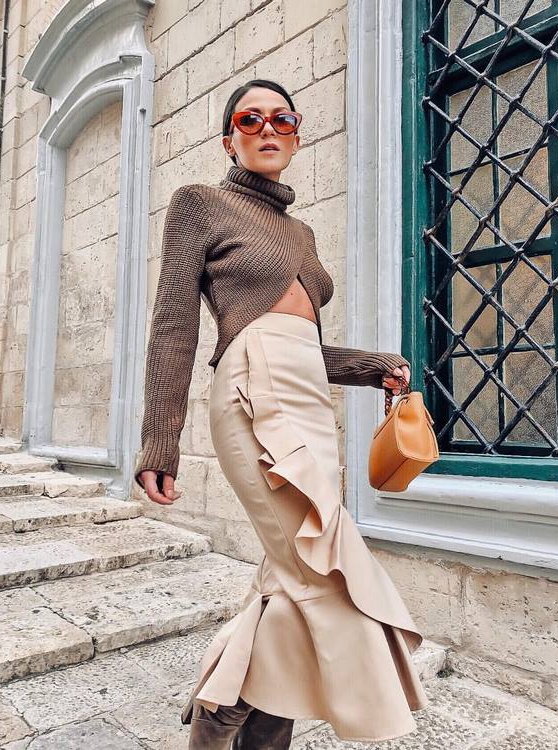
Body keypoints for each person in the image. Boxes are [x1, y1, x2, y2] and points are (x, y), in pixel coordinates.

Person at [134, 78, 429, 749]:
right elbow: (174, 323)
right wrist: (160, 441)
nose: (268, 129)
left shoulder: (301, 232)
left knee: (289, 583)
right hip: (251, 389)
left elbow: (306, 346)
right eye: (250, 119)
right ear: (229, 140)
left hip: (308, 399)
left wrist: (371, 366)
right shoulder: (201, 203)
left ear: (296, 136)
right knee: (318, 573)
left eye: (283, 119)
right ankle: (218, 724)